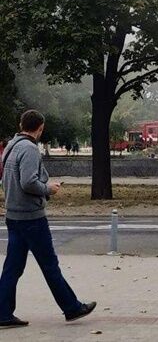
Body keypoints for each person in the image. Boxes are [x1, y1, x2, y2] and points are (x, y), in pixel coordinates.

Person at [0, 110, 96, 329]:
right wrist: (48, 189)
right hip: (31, 218)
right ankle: (72, 308)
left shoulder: (10, 147)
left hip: (13, 215)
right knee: (50, 265)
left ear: (21, 124)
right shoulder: (30, 149)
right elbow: (28, 182)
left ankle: (3, 311)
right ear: (40, 128)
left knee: (13, 267)